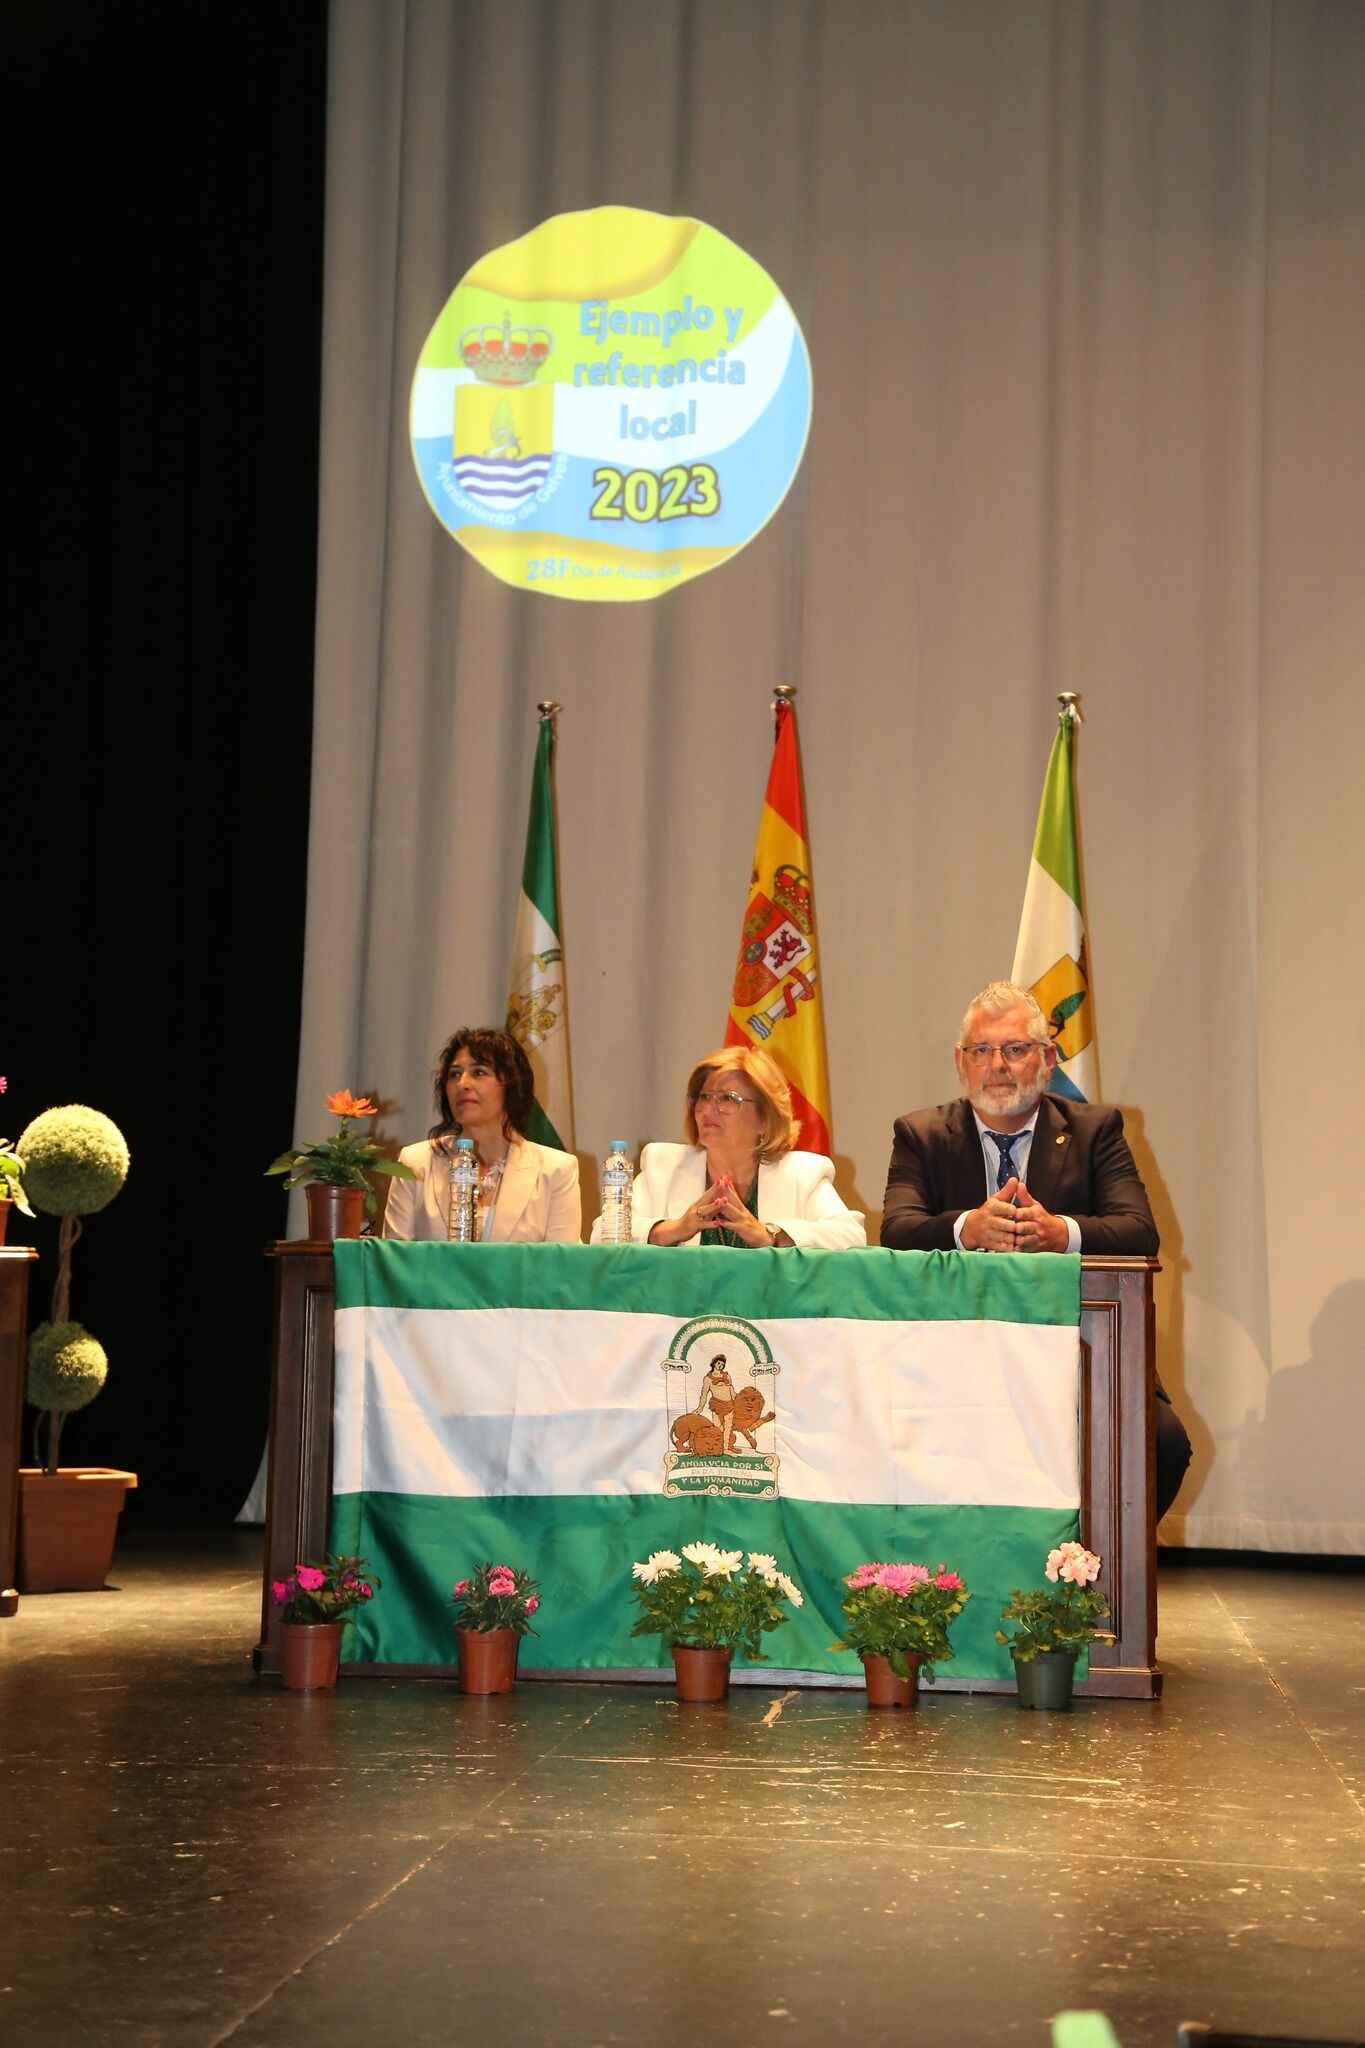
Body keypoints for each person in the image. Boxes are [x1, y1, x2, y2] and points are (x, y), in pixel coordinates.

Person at [880, 979, 1190, 1518]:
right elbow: (896, 1231)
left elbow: (1140, 1231)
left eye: (1015, 1049)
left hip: (1078, 1349)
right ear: (960, 1062)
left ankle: (1098, 1561)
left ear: (1047, 1060)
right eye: (981, 1050)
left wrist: (1059, 1234)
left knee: (1162, 1441)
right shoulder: (921, 1135)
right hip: (957, 1357)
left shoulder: (1096, 1131)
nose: (997, 1065)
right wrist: (968, 1229)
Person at [596, 1044, 865, 1249]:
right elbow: (602, 1233)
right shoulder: (663, 1166)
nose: (707, 1109)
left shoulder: (801, 1175)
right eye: (704, 1097)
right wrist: (674, 1229)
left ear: (765, 1117)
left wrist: (770, 1235)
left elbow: (852, 1235)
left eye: (727, 1098)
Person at [382, 1026, 581, 1243]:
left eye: (479, 1072)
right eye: (454, 1074)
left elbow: (561, 1262)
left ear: (511, 1085)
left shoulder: (556, 1171)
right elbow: (394, 1258)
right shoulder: (415, 1163)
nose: (462, 1084)